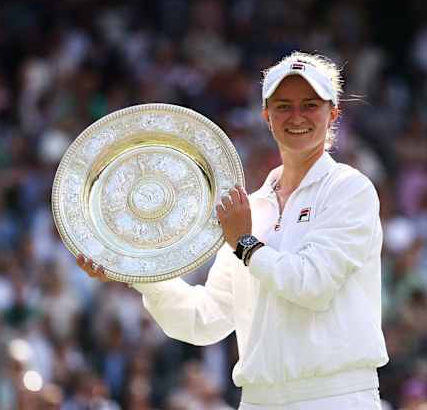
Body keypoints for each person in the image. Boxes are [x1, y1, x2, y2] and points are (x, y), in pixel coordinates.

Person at [78, 51, 388, 409]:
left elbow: (311, 286)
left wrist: (245, 243)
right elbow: (203, 319)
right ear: (266, 116)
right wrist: (135, 268)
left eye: (310, 105)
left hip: (336, 398)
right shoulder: (250, 208)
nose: (297, 116)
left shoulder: (350, 189)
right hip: (258, 399)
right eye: (283, 106)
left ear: (333, 112)